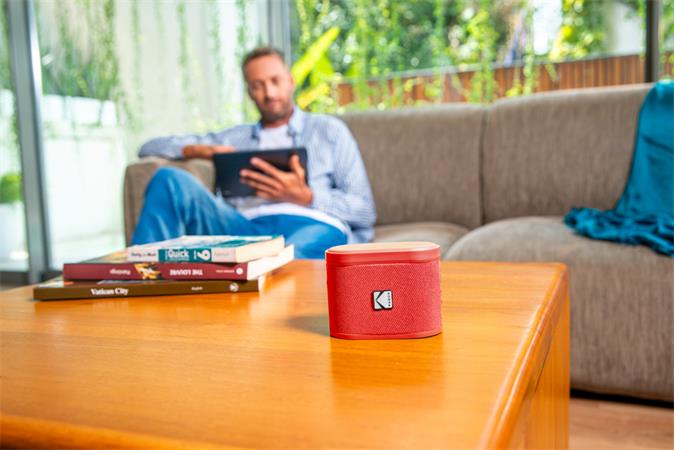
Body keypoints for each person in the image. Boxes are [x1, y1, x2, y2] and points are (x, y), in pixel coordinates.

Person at [131, 46, 376, 259]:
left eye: (275, 81)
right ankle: (139, 279)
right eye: (258, 85)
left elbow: (365, 210)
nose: (269, 93)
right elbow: (148, 147)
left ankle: (264, 277)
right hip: (241, 230)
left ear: (290, 81)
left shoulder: (330, 131)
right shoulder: (232, 138)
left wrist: (307, 196)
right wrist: (197, 150)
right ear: (249, 92)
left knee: (283, 260)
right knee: (168, 180)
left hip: (310, 224)